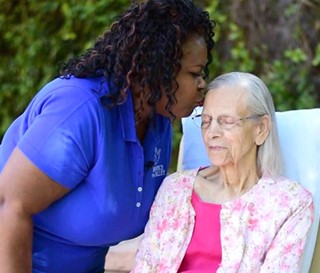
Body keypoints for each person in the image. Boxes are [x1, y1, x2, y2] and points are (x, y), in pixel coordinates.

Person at [0, 1, 215, 272]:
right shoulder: (81, 110)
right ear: (156, 69)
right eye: (194, 73)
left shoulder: (158, 121)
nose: (202, 84)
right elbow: (9, 205)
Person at [131, 72, 314, 273]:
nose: (212, 132)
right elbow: (145, 266)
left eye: (226, 121)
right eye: (206, 120)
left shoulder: (289, 203)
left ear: (261, 128)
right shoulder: (175, 189)